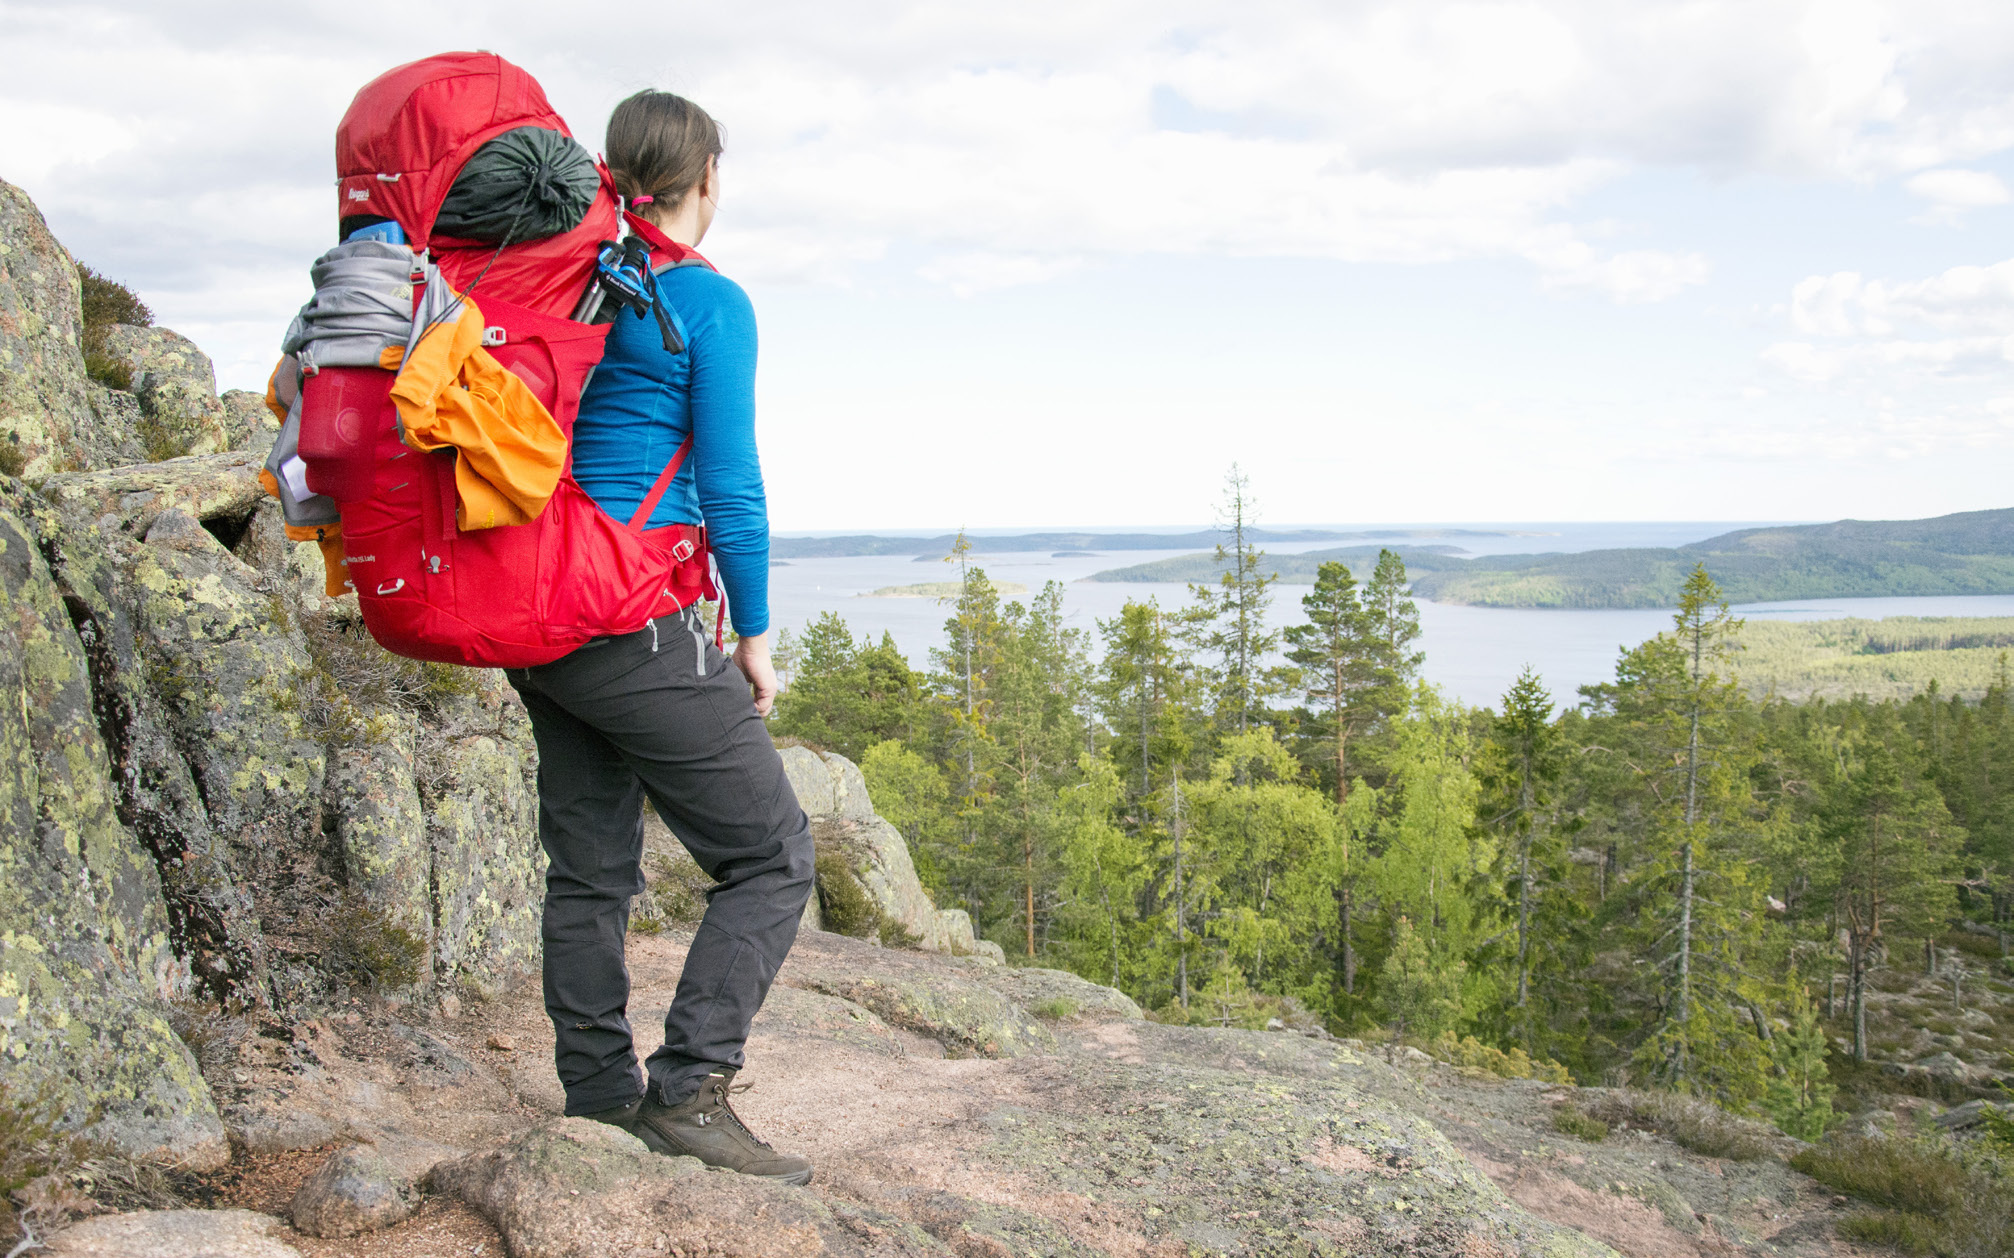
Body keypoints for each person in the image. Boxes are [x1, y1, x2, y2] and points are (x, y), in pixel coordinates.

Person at [502, 89, 814, 1185]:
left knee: (587, 871)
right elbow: (730, 484)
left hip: (536, 610)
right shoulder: (704, 302)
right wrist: (757, 637)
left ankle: (597, 1098)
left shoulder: (569, 287)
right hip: (628, 615)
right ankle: (686, 1093)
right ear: (705, 183)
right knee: (772, 856)